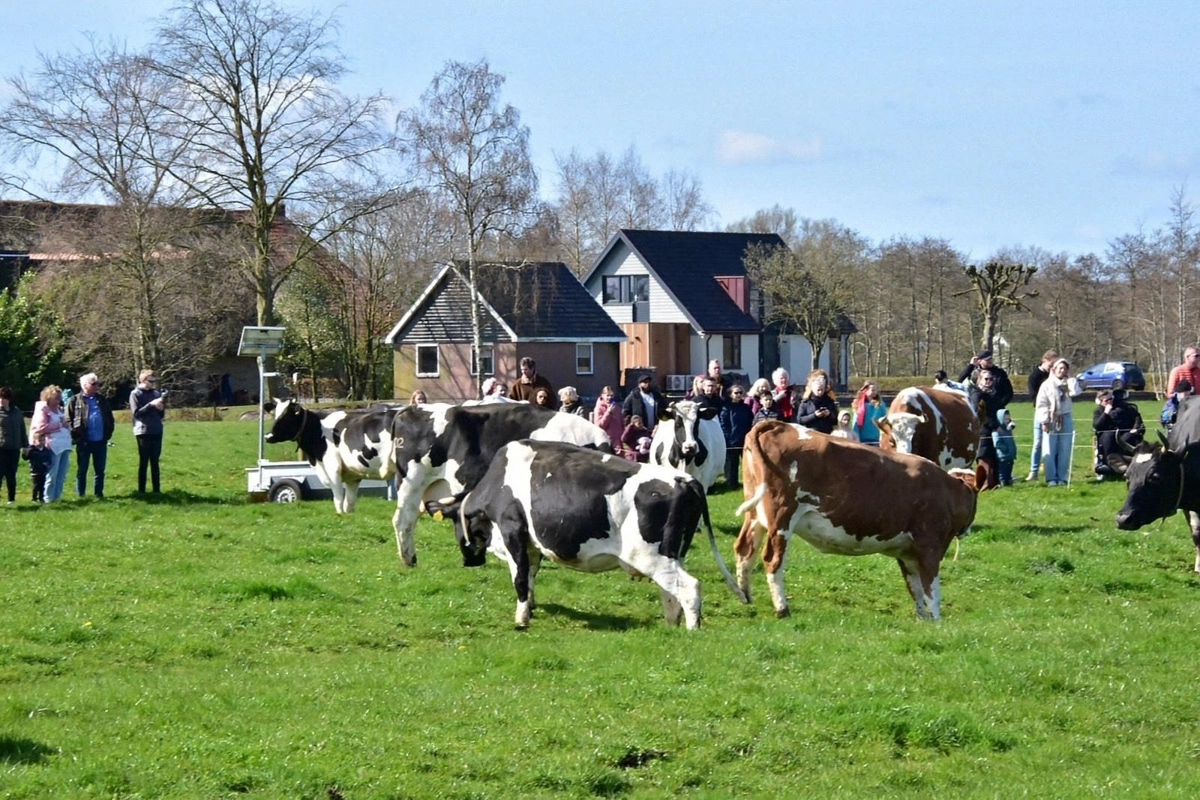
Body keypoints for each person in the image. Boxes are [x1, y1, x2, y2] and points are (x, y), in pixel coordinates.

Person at [65, 372, 115, 499]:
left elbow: (109, 418)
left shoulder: (101, 400)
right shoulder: (74, 401)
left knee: (100, 470)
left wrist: (108, 434)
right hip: (84, 441)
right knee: (82, 469)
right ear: (84, 385)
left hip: (100, 440)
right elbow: (67, 420)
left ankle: (98, 494)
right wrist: (75, 435)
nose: (96, 386)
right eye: (94, 383)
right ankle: (80, 494)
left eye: (97, 383)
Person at [1035, 358, 1080, 486]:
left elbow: (1076, 392)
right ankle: (1051, 478)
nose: (1062, 371)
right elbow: (1041, 404)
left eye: (1065, 369)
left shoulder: (1068, 383)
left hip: (1065, 416)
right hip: (1051, 417)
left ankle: (1062, 477)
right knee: (1049, 447)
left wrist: (1071, 380)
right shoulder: (1047, 384)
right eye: (1060, 368)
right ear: (1054, 369)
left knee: (1065, 448)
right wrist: (1044, 420)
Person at [30, 385, 72, 502]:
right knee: (52, 474)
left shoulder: (59, 409)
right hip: (52, 445)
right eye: (55, 395)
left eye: (59, 395)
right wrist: (59, 425)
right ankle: (48, 498)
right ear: (48, 396)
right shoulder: (43, 410)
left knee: (61, 474)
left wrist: (66, 427)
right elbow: (40, 427)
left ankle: (57, 497)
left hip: (64, 445)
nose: (58, 397)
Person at [1093, 388, 1144, 479]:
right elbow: (1097, 426)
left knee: (1128, 438)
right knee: (1109, 436)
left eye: (1111, 399)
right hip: (1107, 434)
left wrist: (1135, 429)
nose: (1109, 402)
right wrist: (1105, 413)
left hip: (1125, 432)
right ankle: (1110, 462)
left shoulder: (1124, 408)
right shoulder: (1099, 411)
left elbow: (1137, 418)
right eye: (1106, 400)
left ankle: (1126, 463)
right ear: (1100, 401)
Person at [130, 369, 167, 495]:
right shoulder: (135, 394)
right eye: (151, 381)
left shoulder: (156, 394)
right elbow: (137, 414)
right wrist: (151, 405)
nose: (153, 383)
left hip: (156, 429)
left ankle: (156, 490)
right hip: (143, 431)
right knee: (144, 460)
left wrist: (160, 408)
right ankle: (141, 490)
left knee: (155, 461)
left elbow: (161, 415)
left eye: (154, 381)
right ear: (143, 380)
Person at [1025, 349, 1059, 481]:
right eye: (1051, 365)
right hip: (1040, 411)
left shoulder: (1053, 376)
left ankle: (1051, 469)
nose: (1052, 368)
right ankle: (1033, 471)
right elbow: (1033, 396)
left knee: (1053, 442)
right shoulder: (1035, 376)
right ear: (1044, 360)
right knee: (1038, 442)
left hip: (1055, 412)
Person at [719, 384, 754, 487]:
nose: (738, 395)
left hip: (744, 439)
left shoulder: (746, 408)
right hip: (731, 441)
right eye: (736, 393)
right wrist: (729, 437)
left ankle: (749, 483)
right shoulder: (726, 408)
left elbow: (750, 422)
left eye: (740, 393)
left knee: (747, 463)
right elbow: (723, 424)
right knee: (732, 464)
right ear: (730, 394)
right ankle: (731, 483)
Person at [974, 369, 1004, 490]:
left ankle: (994, 482)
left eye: (991, 379)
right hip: (983, 429)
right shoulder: (977, 394)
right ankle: (984, 484)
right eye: (986, 379)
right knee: (983, 455)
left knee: (994, 455)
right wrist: (995, 426)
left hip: (995, 429)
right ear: (979, 380)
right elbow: (980, 414)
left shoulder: (993, 393)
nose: (989, 381)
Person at [0, 386, 29, 504]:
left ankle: (11, 499)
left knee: (11, 475)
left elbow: (22, 429)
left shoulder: (16, 412)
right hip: (1, 448)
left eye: (4, 398)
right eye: (0, 397)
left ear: (9, 399)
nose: (2, 400)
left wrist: (26, 445)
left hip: (14, 448)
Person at [795, 369, 837, 434]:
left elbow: (837, 420)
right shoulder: (806, 402)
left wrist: (829, 414)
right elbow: (800, 420)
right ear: (812, 386)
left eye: (822, 389)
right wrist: (814, 416)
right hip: (812, 435)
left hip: (827, 434)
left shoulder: (830, 401)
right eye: (818, 389)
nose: (820, 392)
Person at [851, 380, 887, 445]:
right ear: (866, 391)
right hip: (862, 439)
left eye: (876, 390)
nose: (875, 392)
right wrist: (856, 438)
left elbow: (884, 421)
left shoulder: (881, 405)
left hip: (876, 439)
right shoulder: (859, 404)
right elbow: (855, 423)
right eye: (872, 390)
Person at [592, 385, 625, 454]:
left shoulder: (617, 407)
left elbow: (621, 424)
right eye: (607, 395)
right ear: (602, 395)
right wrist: (608, 413)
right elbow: (599, 426)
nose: (609, 398)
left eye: (611, 395)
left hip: (618, 444)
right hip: (606, 443)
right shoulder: (599, 408)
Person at [992, 408, 1018, 487]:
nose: (1007, 420)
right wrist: (1005, 449)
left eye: (1008, 419)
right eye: (1005, 419)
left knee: (1009, 469)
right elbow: (997, 443)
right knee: (1003, 469)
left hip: (1010, 455)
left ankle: (1008, 480)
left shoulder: (1008, 429)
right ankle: (1002, 481)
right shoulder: (997, 431)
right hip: (1003, 456)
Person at [23, 432, 52, 503]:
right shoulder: (32, 450)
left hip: (43, 471)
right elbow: (25, 457)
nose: (41, 442)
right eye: (40, 440)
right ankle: (34, 498)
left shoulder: (46, 450)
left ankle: (41, 498)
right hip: (34, 471)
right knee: (36, 485)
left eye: (43, 440)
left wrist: (47, 463)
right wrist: (27, 449)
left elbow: (49, 459)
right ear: (34, 441)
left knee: (42, 485)